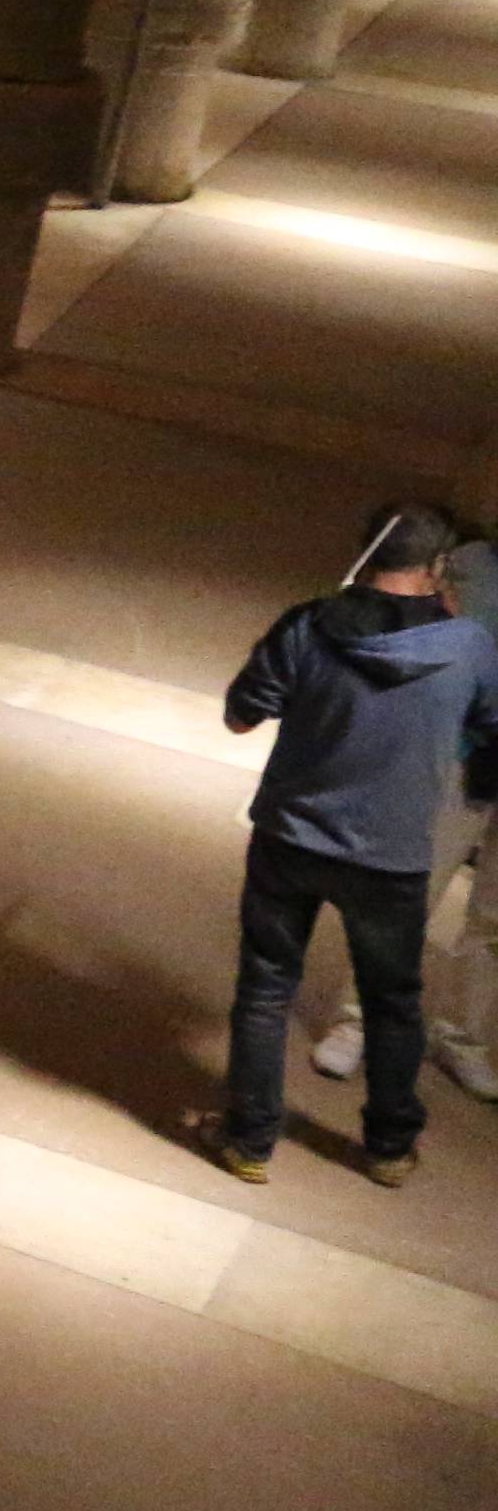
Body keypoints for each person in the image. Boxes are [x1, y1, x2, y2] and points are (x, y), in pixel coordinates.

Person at [198, 503, 498, 1187]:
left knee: (266, 990)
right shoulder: (469, 646)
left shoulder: (309, 625)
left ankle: (249, 1141)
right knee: (392, 1004)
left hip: (291, 840)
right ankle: (388, 1149)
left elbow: (241, 716)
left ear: (367, 553)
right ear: (437, 567)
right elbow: (490, 726)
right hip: (392, 857)